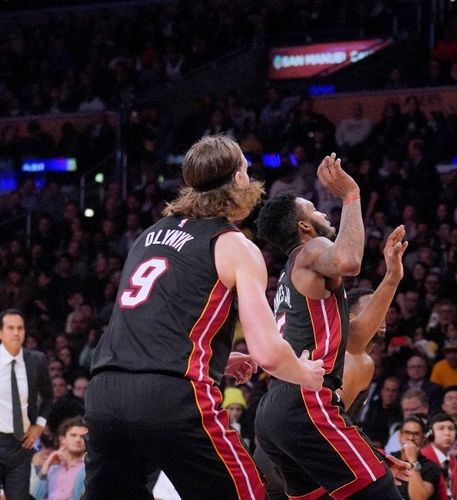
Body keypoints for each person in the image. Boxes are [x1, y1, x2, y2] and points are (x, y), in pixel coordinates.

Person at [84, 135, 325, 499]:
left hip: (105, 394)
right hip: (172, 398)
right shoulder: (234, 245)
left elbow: (153, 326)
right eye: (245, 168)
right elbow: (269, 353)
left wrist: (219, 358)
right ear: (239, 180)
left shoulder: (148, 235)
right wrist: (305, 373)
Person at [254, 153, 403, 499]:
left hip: (274, 412)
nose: (324, 213)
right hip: (305, 400)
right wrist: (351, 194)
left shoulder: (293, 277)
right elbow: (349, 260)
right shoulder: (310, 250)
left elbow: (356, 342)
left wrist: (392, 279)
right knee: (383, 492)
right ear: (304, 227)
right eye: (315, 211)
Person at [340, 225, 408, 416]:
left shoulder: (365, 360)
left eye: (383, 312)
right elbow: (328, 422)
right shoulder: (343, 356)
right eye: (374, 311)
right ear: (351, 319)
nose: (382, 317)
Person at [0, 309, 53, 500]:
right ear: (0, 332)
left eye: (20, 328)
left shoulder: (36, 360)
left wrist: (39, 426)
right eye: (10, 328)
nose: (16, 332)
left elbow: (48, 396)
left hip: (21, 444)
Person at [31, 416, 87, 500]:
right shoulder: (53, 469)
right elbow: (34, 497)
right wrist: (46, 466)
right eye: (73, 435)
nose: (78, 439)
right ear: (63, 439)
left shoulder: (86, 469)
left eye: (82, 436)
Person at [393, 415, 442, 499]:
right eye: (407, 433)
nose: (411, 438)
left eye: (416, 434)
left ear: (423, 439)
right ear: (400, 435)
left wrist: (413, 460)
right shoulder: (389, 458)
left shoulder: (430, 467)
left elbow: (419, 498)